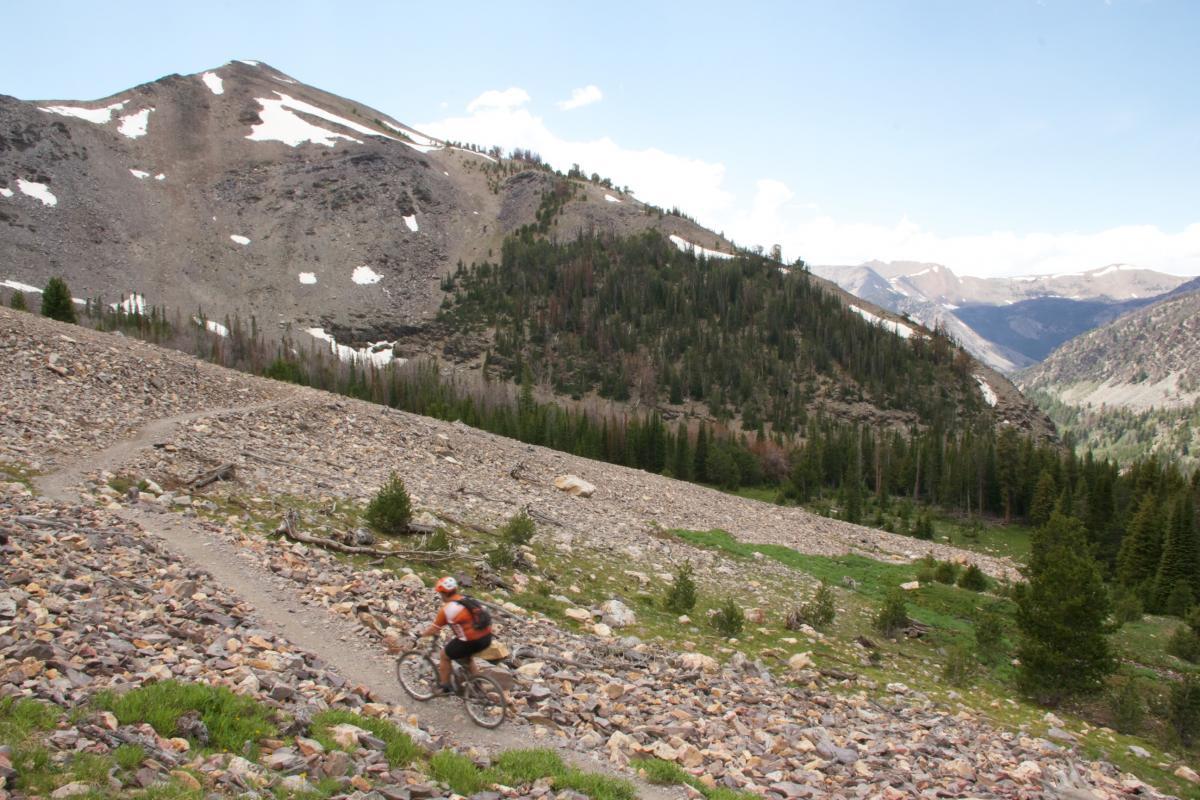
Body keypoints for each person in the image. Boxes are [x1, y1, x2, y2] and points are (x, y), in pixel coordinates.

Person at [416, 576, 493, 694]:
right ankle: (479, 686)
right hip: (487, 637)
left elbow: (433, 629)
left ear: (443, 593)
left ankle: (444, 687)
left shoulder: (447, 609)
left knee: (444, 655)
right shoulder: (467, 599)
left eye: (440, 593)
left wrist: (420, 637)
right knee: (468, 657)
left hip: (471, 640)